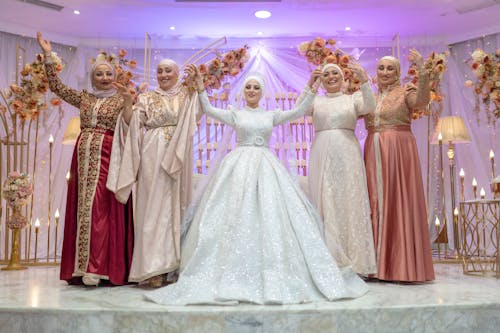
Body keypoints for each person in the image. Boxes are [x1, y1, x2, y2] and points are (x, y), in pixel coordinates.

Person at [146, 66, 368, 305]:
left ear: (262, 92)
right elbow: (208, 109)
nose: (252, 90)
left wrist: (311, 87)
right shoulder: (235, 114)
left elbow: (298, 111)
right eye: (249, 87)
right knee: (231, 213)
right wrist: (200, 86)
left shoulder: (270, 115)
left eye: (256, 87)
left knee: (271, 214)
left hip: (266, 166)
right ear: (244, 91)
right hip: (238, 167)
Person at [37, 32, 134, 286]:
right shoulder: (85, 98)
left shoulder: (120, 98)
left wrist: (127, 103)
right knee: (83, 206)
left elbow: (130, 124)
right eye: (99, 74)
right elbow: (56, 87)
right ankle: (81, 267)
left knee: (101, 206)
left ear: (115, 77)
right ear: (93, 77)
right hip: (83, 156)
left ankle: (99, 267)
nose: (104, 78)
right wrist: (48, 55)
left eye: (108, 74)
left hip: (108, 155)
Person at [110, 59, 201, 287]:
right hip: (152, 153)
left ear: (177, 73)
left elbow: (197, 115)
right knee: (152, 207)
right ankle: (152, 269)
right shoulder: (147, 97)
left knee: (178, 205)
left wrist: (197, 87)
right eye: (159, 71)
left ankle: (175, 267)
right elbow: (133, 123)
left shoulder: (187, 95)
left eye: (168, 70)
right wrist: (128, 103)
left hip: (179, 152)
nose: (163, 74)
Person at [363, 49, 435, 282]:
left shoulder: (406, 91)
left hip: (398, 151)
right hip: (372, 151)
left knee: (397, 200)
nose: (385, 72)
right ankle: (372, 265)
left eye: (390, 68)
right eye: (381, 68)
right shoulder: (369, 96)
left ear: (398, 72)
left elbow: (422, 102)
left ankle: (399, 266)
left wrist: (422, 72)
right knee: (373, 200)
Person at [306, 63, 377, 276]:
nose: (330, 77)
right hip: (321, 152)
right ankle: (327, 259)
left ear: (342, 77)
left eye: (335, 73)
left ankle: (356, 261)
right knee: (324, 200)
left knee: (349, 199)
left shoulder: (352, 98)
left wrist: (365, 81)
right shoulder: (316, 100)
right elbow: (299, 109)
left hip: (347, 153)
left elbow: (370, 106)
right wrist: (310, 85)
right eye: (325, 74)